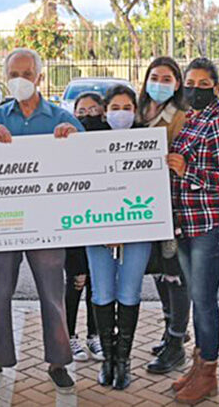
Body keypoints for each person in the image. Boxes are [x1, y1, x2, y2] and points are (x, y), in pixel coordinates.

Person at [0, 48, 83, 394]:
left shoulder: (60, 118)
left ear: (40, 78)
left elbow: (91, 160)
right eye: (14, 74)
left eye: (27, 74)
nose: (21, 80)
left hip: (48, 224)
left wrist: (75, 138)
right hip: (3, 221)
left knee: (52, 293)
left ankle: (59, 361)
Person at [167, 57, 219, 404]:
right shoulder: (192, 119)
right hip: (188, 223)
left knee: (204, 301)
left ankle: (208, 372)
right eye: (190, 83)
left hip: (213, 226)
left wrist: (187, 172)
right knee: (198, 299)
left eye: (203, 84)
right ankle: (199, 368)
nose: (195, 90)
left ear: (216, 87)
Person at [87, 84, 152, 391]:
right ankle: (107, 359)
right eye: (115, 108)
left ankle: (123, 361)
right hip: (97, 231)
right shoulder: (90, 141)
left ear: (135, 111)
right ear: (105, 111)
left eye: (127, 108)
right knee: (101, 293)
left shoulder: (147, 141)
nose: (121, 113)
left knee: (129, 293)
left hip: (137, 233)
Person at [136, 56, 192, 375]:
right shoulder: (139, 112)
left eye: (166, 78)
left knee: (175, 273)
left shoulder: (180, 116)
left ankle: (176, 345)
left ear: (177, 83)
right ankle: (171, 328)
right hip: (144, 207)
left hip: (172, 207)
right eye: (154, 77)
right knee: (159, 271)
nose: (158, 83)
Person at [64, 91, 108, 363]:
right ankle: (69, 336)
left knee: (96, 282)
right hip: (74, 220)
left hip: (102, 219)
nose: (87, 115)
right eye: (82, 110)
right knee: (76, 280)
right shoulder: (67, 138)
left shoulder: (110, 137)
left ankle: (95, 335)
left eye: (93, 110)